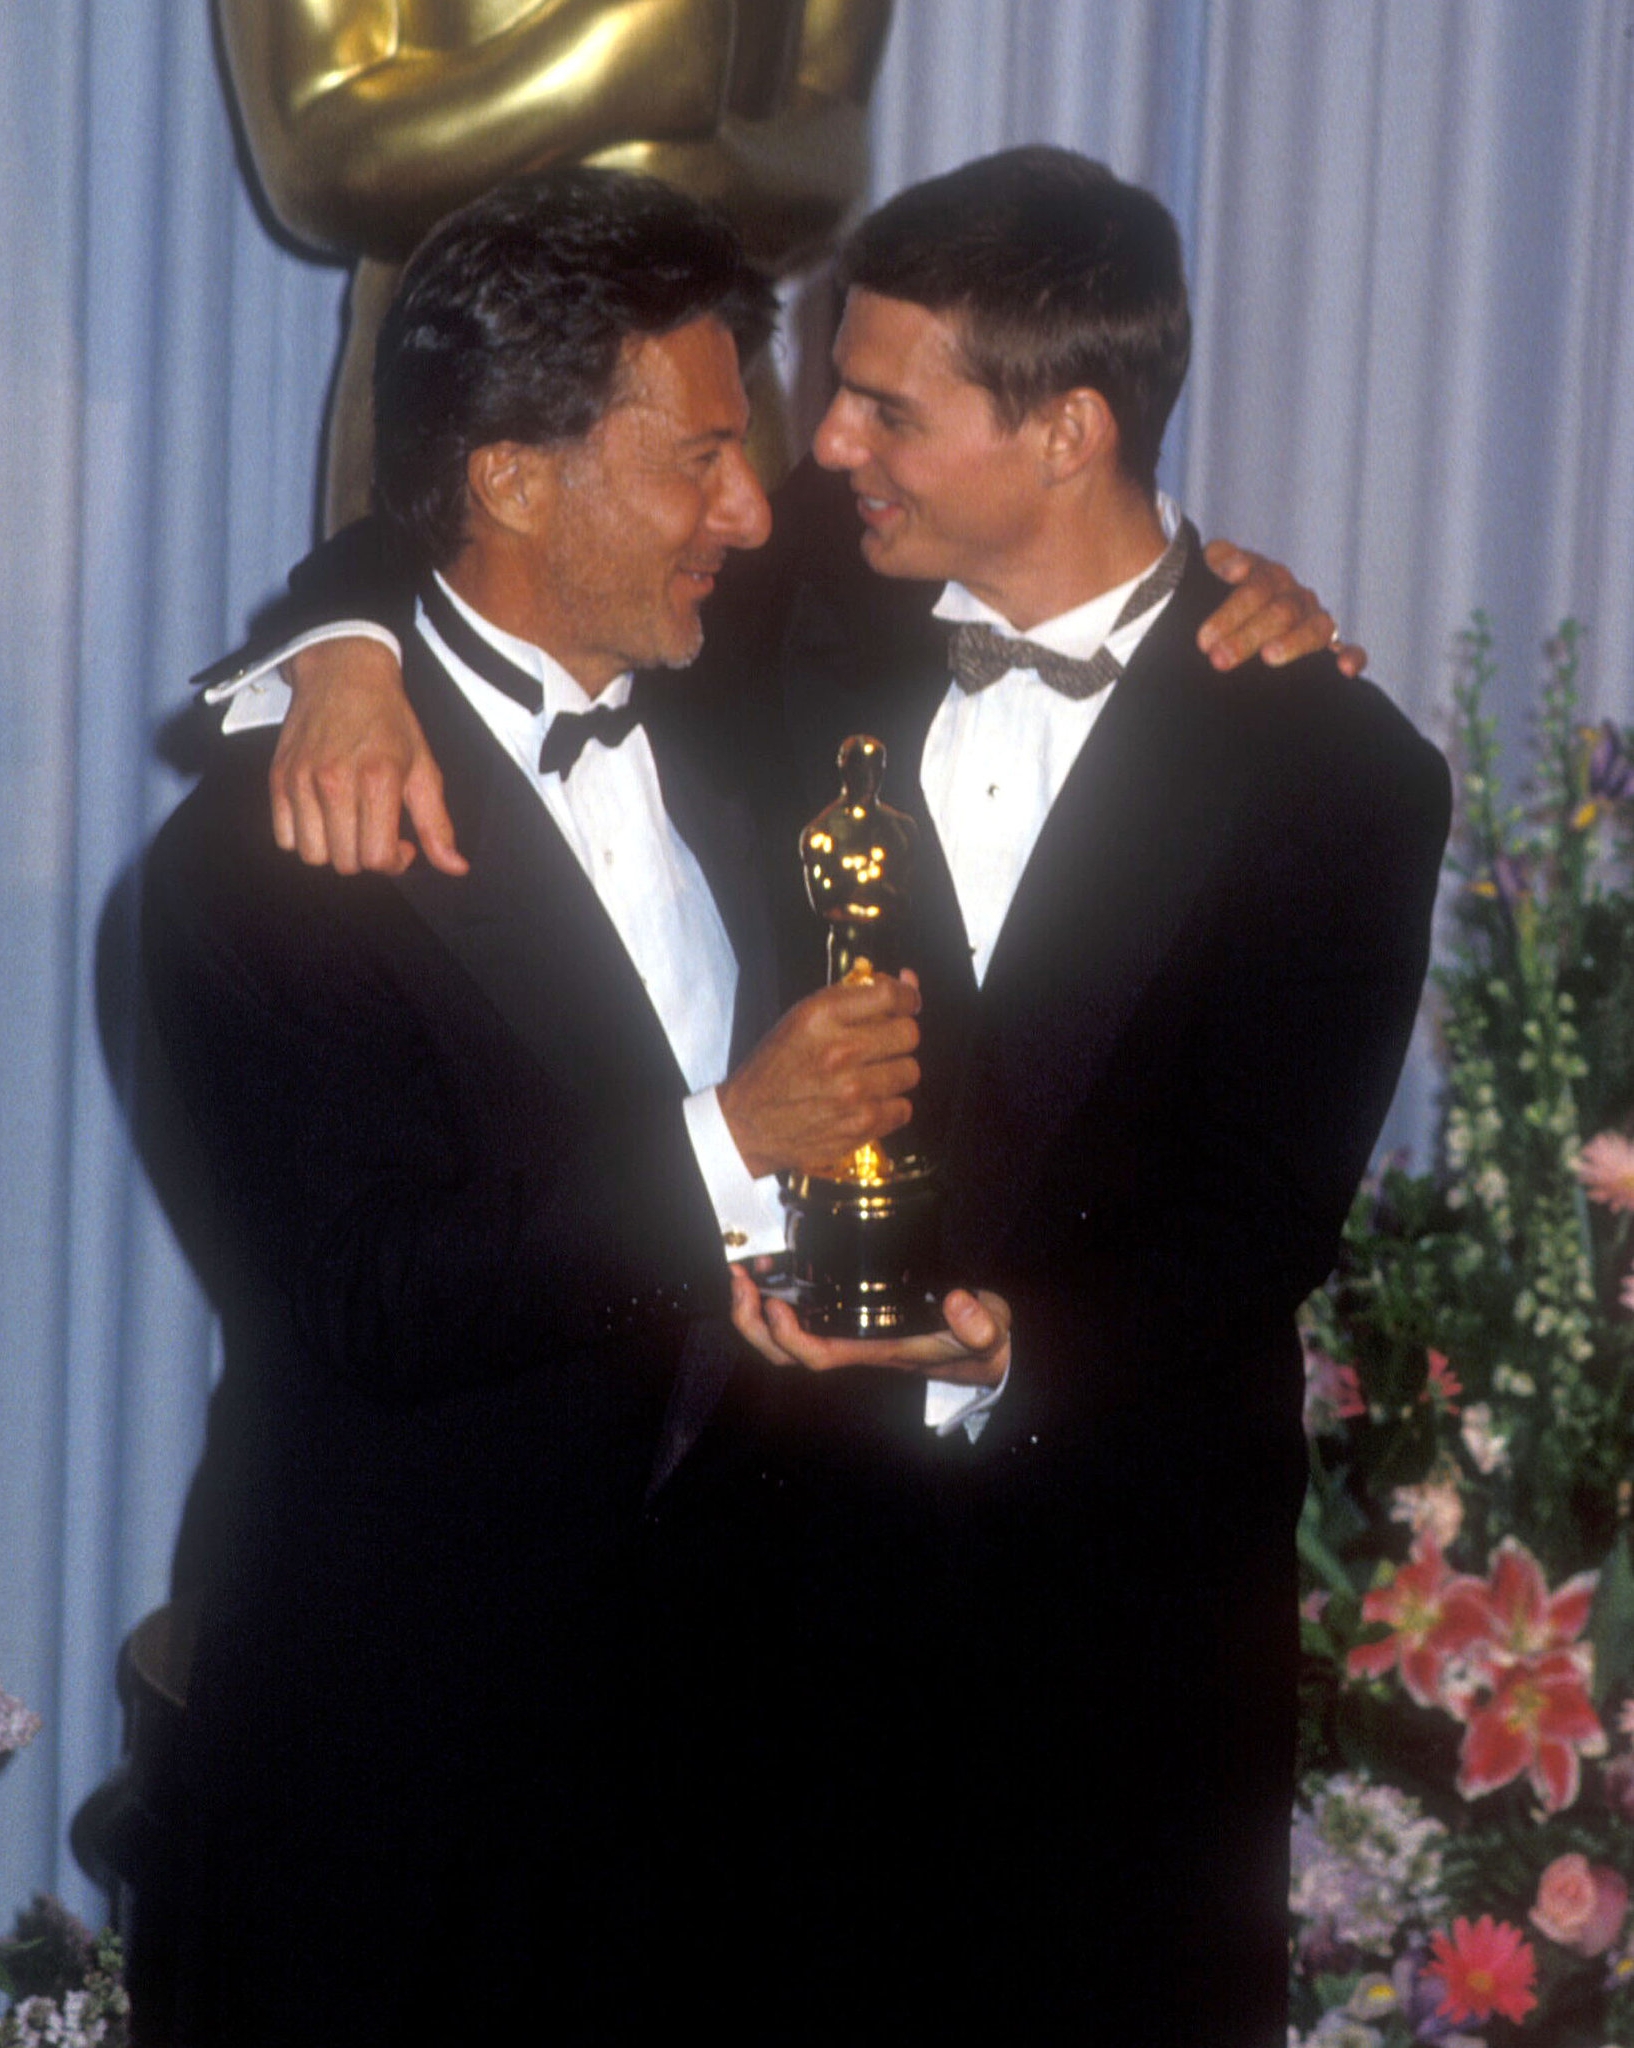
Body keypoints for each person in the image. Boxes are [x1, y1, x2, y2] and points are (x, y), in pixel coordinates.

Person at [220, 150, 1450, 2043]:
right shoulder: (791, 603)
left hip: (1109, 1614)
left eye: (886, 405)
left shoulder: (1339, 766)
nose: (821, 451)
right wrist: (342, 649)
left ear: (1068, 431)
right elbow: (489, 516)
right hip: (762, 1622)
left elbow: (1263, 1207)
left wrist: (1007, 1337)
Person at [141, 166, 1009, 2044]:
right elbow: (372, 1294)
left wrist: (1251, 609)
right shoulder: (262, 858)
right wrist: (730, 1145)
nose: (753, 508)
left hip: (737, 1779)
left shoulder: (730, 707)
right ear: (520, 477)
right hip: (415, 1784)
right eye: (701, 457)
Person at [219, 0, 894, 524]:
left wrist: (656, 161)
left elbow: (833, 148)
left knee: (715, 687)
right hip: (456, 395)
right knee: (438, 684)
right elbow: (311, 159)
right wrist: (615, 49)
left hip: (719, 389)